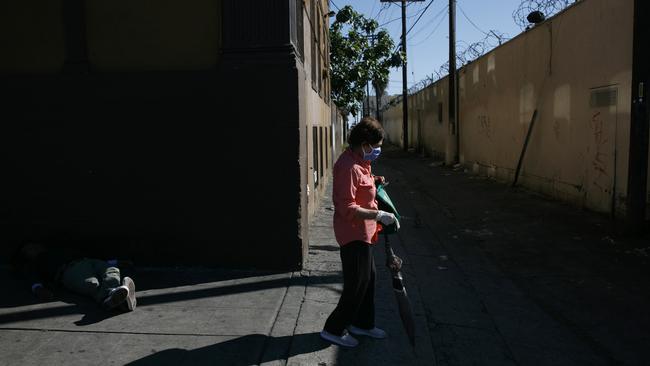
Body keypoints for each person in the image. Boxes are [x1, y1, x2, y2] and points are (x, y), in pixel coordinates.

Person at [320, 116, 400, 348]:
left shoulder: (360, 161)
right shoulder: (347, 166)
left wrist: (375, 180)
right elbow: (346, 207)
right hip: (352, 233)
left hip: (364, 233)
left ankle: (362, 324)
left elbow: (363, 180)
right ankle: (333, 329)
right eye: (375, 147)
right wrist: (378, 215)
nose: (377, 152)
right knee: (357, 283)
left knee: (368, 280)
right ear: (364, 144)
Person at [10, 241, 137, 311]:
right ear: (26, 256)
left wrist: (115, 261)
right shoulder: (36, 263)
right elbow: (31, 276)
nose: (34, 247)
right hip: (69, 271)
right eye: (29, 249)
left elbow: (93, 255)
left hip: (88, 260)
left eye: (33, 245)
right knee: (92, 284)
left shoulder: (57, 249)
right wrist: (38, 288)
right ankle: (117, 298)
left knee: (112, 270)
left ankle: (112, 297)